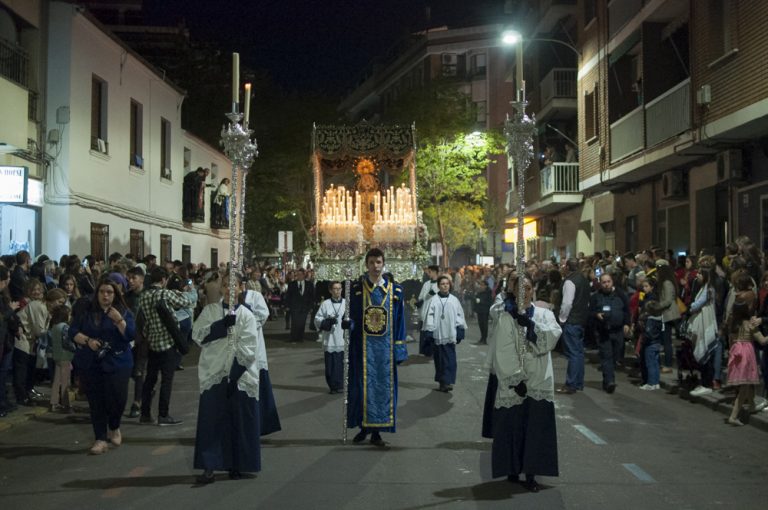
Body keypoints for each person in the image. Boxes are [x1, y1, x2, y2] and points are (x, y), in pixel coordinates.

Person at [191, 273, 278, 483]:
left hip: (240, 375)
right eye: (225, 285)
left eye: (234, 285)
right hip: (214, 373)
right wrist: (221, 325)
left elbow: (249, 347)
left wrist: (234, 375)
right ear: (221, 288)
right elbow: (198, 335)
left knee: (239, 421)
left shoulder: (247, 315)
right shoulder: (210, 311)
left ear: (240, 288)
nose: (230, 289)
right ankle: (209, 465)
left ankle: (238, 464)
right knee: (212, 421)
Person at [482, 275, 561, 492]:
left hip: (539, 379)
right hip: (515, 383)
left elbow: (553, 337)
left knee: (535, 429)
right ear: (513, 291)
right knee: (513, 426)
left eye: (527, 288)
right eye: (519, 288)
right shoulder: (506, 318)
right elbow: (502, 350)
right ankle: (512, 469)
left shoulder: (544, 314)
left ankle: (532, 474)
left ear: (532, 290)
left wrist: (532, 327)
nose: (524, 292)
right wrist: (515, 379)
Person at [343, 248, 408, 446]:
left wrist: (399, 347)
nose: (375, 266)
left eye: (378, 262)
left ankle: (377, 432)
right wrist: (348, 324)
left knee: (382, 390)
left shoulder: (396, 291)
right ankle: (364, 428)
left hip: (385, 351)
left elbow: (400, 321)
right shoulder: (356, 289)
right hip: (362, 349)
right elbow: (352, 318)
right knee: (362, 389)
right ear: (366, 265)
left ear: (383, 263)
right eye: (371, 262)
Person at [69, 278, 136, 454]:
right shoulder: (87, 311)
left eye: (109, 292)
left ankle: (114, 426)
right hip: (92, 362)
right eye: (102, 292)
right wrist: (88, 341)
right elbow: (73, 331)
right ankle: (100, 438)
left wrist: (119, 320)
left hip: (118, 362)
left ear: (115, 294)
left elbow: (131, 334)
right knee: (96, 401)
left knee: (118, 399)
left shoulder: (123, 311)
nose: (105, 295)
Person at [137, 266, 192, 426]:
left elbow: (144, 320)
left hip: (153, 342)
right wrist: (182, 292)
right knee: (166, 380)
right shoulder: (164, 294)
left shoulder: (143, 296)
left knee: (150, 380)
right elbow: (187, 301)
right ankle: (163, 414)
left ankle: (145, 414)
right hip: (168, 343)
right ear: (163, 280)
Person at [726, 292, 768, 425]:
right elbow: (762, 340)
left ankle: (752, 405)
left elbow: (730, 340)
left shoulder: (733, 325)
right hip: (747, 355)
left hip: (736, 354)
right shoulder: (749, 324)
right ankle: (733, 416)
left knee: (747, 382)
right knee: (744, 387)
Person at [589, 273, 630, 394]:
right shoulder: (596, 297)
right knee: (606, 356)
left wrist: (627, 324)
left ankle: (607, 377)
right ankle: (609, 381)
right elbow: (590, 312)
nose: (606, 284)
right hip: (604, 331)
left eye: (608, 282)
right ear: (600, 284)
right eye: (604, 282)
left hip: (618, 331)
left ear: (612, 282)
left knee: (615, 356)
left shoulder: (620, 295)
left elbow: (627, 310)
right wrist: (596, 315)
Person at [424, 275, 466, 392]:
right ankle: (442, 382)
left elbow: (459, 315)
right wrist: (429, 331)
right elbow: (430, 316)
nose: (445, 286)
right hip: (438, 334)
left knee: (450, 359)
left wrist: (460, 331)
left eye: (447, 284)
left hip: (450, 333)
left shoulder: (454, 300)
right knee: (439, 359)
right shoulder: (434, 300)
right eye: (442, 284)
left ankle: (448, 381)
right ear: (438, 286)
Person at [557, 259, 590, 394]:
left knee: (573, 353)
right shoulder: (583, 280)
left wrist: (562, 319)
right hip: (581, 320)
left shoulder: (570, 281)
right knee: (578, 353)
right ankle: (578, 382)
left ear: (567, 267)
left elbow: (567, 303)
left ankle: (571, 384)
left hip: (572, 320)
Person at [314, 281, 346, 394]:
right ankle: (332, 386)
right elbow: (317, 319)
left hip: (343, 338)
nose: (337, 291)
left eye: (339, 288)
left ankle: (341, 385)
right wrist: (327, 322)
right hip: (330, 338)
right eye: (335, 289)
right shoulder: (325, 304)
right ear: (330, 290)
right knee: (331, 364)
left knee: (342, 363)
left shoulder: (346, 303)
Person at [125, 266, 146, 418]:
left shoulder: (148, 295)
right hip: (129, 338)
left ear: (142, 279)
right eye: (129, 278)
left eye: (134, 278)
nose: (130, 281)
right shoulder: (126, 297)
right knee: (130, 370)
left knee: (139, 370)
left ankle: (137, 402)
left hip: (144, 339)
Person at [48, 305, 74, 412]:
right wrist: (75, 348)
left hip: (57, 356)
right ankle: (66, 404)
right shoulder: (65, 327)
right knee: (65, 382)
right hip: (65, 356)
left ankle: (53, 403)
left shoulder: (54, 327)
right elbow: (67, 343)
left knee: (56, 381)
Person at [285, 268, 314, 342]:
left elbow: (312, 296)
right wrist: (287, 306)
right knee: (294, 322)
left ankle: (300, 337)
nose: (299, 276)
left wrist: (311, 307)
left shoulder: (309, 284)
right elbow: (288, 295)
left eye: (301, 274)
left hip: (305, 307)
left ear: (304, 275)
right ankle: (293, 337)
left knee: (302, 322)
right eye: (298, 274)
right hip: (294, 306)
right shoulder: (292, 284)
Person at [416, 265, 440, 356]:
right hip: (425, 309)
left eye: (430, 272)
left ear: (435, 272)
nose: (428, 274)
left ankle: (434, 351)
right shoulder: (426, 283)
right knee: (424, 330)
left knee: (433, 330)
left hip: (434, 310)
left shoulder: (440, 284)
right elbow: (421, 296)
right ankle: (425, 351)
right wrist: (419, 301)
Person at [473, 279, 493, 344]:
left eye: (482, 285)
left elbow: (489, 302)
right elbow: (476, 299)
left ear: (486, 286)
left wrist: (481, 301)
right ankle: (482, 338)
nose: (481, 286)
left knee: (484, 325)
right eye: (480, 285)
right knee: (480, 324)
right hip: (479, 310)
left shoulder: (488, 292)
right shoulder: (479, 292)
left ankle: (484, 339)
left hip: (485, 311)